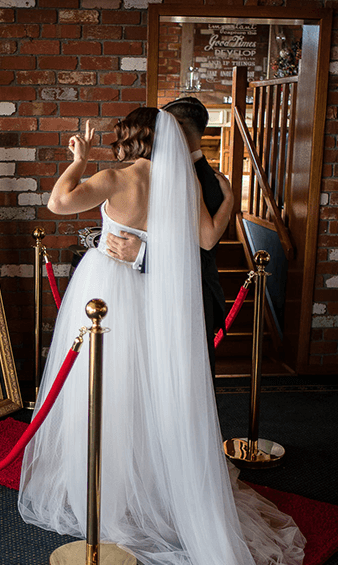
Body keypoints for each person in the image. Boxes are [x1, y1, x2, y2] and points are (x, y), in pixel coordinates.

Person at [18, 108, 305, 565]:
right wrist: (229, 199)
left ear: (127, 140)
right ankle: (154, 483)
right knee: (151, 390)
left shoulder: (113, 177)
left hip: (107, 296)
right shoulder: (183, 184)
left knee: (106, 390)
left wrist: (81, 157)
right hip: (155, 300)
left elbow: (59, 202)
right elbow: (209, 238)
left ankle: (110, 490)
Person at [106, 97, 229, 377]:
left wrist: (143, 253)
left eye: (162, 128)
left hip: (192, 294)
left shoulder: (202, 179)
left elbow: (202, 247)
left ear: (180, 128)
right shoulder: (168, 171)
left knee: (189, 377)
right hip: (162, 291)